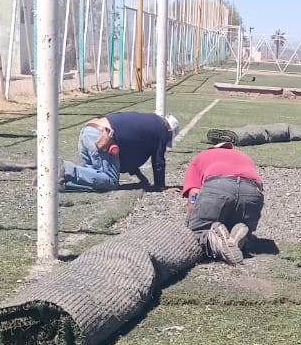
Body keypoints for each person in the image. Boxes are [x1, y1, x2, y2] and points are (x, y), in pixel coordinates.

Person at [180, 136, 263, 265]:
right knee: (230, 225)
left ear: (211, 147)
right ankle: (238, 236)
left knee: (197, 233)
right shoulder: (244, 156)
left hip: (219, 186)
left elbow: (194, 194)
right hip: (252, 193)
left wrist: (192, 222)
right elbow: (259, 186)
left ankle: (216, 243)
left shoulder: (202, 156)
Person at [60, 110, 181, 193]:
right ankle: (65, 169)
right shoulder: (163, 130)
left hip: (88, 129)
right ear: (170, 131)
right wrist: (161, 186)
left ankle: (61, 183)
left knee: (94, 178)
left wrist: (141, 178)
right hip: (103, 135)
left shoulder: (151, 122)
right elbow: (158, 161)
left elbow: (131, 151)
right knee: (110, 181)